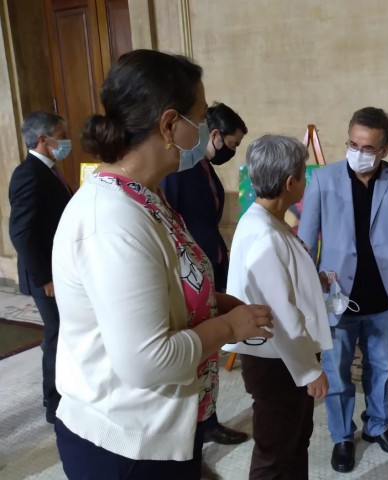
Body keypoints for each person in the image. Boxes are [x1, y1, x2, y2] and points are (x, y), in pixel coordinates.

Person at [50, 49, 273, 480]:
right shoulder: (111, 220)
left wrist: (213, 302)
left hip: (161, 428)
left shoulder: (146, 195)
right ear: (170, 124)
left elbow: (162, 288)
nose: (205, 129)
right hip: (124, 443)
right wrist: (229, 328)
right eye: (200, 116)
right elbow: (148, 360)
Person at [298, 106, 388, 473]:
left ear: (385, 149)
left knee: (379, 368)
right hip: (337, 295)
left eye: (368, 148)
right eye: (353, 144)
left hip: (381, 295)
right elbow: (306, 238)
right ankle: (342, 436)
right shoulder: (324, 178)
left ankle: (377, 425)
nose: (358, 152)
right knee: (337, 372)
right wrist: (306, 290)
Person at [223, 135, 332, 479]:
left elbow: (280, 283)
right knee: (276, 450)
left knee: (294, 440)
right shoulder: (265, 234)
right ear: (290, 182)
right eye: (303, 174)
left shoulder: (265, 221)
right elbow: (280, 313)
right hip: (278, 359)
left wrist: (314, 282)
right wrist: (309, 370)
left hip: (280, 356)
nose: (304, 182)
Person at [161, 102, 250, 448]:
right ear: (214, 135)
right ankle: (194, 429)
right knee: (197, 351)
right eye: (233, 143)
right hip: (189, 277)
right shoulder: (178, 171)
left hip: (209, 265)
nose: (233, 151)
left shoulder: (203, 167)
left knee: (209, 354)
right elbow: (172, 227)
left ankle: (208, 421)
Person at [8, 111, 73, 425]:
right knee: (56, 333)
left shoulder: (49, 170)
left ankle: (67, 390)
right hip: (45, 275)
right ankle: (54, 402)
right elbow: (21, 233)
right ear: (43, 139)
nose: (67, 141)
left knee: (64, 331)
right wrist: (45, 277)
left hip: (58, 269)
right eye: (62, 135)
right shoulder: (28, 174)